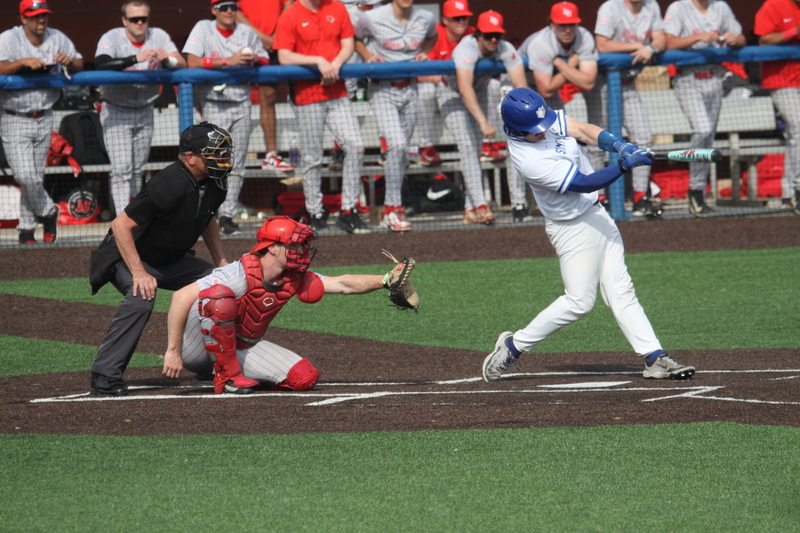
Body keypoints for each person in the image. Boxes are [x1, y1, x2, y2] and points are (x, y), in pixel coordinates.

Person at [482, 88, 696, 383]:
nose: (543, 131)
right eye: (535, 130)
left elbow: (583, 130)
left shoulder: (541, 120)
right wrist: (625, 164)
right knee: (579, 303)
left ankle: (654, 357)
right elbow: (583, 183)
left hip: (598, 216)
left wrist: (620, 145)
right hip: (572, 229)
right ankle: (514, 346)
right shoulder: (529, 160)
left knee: (621, 289)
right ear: (516, 130)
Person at [161, 216, 405, 394]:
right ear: (273, 247)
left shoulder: (293, 277)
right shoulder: (237, 273)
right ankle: (228, 379)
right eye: (294, 245)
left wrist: (385, 280)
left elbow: (342, 284)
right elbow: (180, 297)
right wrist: (172, 350)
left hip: (240, 347)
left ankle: (225, 371)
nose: (301, 251)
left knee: (304, 377)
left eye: (302, 245)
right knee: (218, 298)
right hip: (195, 349)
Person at [89, 122, 234, 396]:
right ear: (191, 158)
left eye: (224, 152)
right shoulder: (168, 184)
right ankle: (104, 374)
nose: (223, 158)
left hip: (170, 259)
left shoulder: (216, 182)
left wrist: (222, 262)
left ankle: (206, 363)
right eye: (215, 153)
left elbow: (207, 218)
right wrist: (139, 272)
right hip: (127, 255)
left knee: (222, 284)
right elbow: (120, 226)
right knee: (141, 296)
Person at [273, 0, 370, 234]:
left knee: (356, 146)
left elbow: (348, 44)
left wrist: (334, 65)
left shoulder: (337, 7)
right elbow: (284, 56)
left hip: (337, 91)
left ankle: (348, 209)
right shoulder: (290, 14)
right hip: (306, 94)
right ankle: (315, 210)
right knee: (311, 156)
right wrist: (318, 61)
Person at [183, 0, 270, 235]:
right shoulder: (203, 28)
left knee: (237, 161)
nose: (229, 11)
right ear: (214, 10)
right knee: (211, 161)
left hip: (241, 100)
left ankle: (227, 216)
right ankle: (209, 212)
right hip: (213, 102)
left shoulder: (245, 32)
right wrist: (226, 61)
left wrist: (253, 59)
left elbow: (265, 59)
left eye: (233, 6)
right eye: (223, 7)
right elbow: (192, 61)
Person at [0, 0, 83, 244]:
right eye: (34, 15)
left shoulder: (56, 37)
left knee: (35, 176)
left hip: (44, 115)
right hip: (14, 116)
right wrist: (21, 62)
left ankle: (26, 231)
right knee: (25, 176)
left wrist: (68, 61)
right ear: (23, 18)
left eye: (43, 15)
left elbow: (79, 63)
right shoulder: (8, 39)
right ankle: (48, 211)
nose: (41, 20)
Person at [95, 1, 186, 217]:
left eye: (143, 19)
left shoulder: (158, 35)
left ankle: (133, 219)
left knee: (137, 170)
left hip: (145, 109)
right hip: (116, 109)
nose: (139, 23)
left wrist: (168, 60)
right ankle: (121, 220)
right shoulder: (112, 37)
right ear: (124, 20)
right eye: (134, 19)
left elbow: (181, 62)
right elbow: (102, 63)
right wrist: (135, 58)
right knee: (122, 169)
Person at [355, 0, 437, 232]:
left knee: (401, 153)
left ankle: (391, 209)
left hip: (410, 87)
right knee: (398, 145)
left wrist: (424, 52)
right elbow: (354, 38)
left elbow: (433, 36)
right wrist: (368, 55)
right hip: (382, 88)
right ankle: (392, 207)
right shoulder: (372, 17)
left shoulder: (425, 17)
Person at [441, 10, 528, 224]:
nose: (493, 40)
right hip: (451, 93)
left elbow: (521, 84)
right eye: (488, 35)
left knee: (475, 149)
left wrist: (527, 115)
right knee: (468, 146)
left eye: (497, 35)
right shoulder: (466, 47)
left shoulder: (505, 47)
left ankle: (469, 209)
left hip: (479, 91)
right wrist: (483, 121)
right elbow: (464, 88)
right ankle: (481, 205)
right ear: (478, 34)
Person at [664, 0, 745, 217]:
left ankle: (697, 190)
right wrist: (699, 37)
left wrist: (734, 40)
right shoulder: (678, 7)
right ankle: (695, 187)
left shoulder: (721, 7)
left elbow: (742, 38)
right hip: (688, 77)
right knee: (703, 129)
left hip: (714, 77)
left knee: (708, 136)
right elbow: (668, 42)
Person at [593, 0, 666, 217]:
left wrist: (651, 47)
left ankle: (640, 197)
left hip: (628, 83)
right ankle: (599, 198)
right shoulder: (610, 7)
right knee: (597, 142)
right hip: (602, 83)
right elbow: (602, 45)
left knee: (643, 137)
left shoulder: (651, 5)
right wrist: (637, 47)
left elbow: (661, 38)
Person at [520, 2, 602, 170]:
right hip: (519, 88)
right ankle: (518, 190)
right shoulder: (541, 43)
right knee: (521, 142)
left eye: (571, 24)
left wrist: (560, 64)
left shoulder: (584, 36)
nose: (567, 29)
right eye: (562, 25)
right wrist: (569, 64)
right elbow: (546, 89)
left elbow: (588, 83)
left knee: (560, 133)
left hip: (548, 84)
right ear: (552, 25)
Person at [236, 0, 296, 173]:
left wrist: (277, 35)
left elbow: (288, 4)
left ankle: (271, 155)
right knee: (235, 94)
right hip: (242, 39)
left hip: (279, 40)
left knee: (273, 95)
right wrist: (262, 38)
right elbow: (231, 9)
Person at [414, 0, 474, 168]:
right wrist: (445, 80)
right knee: (426, 91)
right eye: (456, 18)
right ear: (445, 20)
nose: (461, 22)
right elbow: (419, 75)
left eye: (464, 17)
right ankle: (426, 146)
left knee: (492, 86)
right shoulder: (434, 35)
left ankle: (487, 144)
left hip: (461, 92)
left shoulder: (473, 35)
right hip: (438, 92)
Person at [754, 0, 800, 215]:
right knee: (798, 129)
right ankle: (796, 189)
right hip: (781, 80)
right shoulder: (774, 5)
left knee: (795, 135)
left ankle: (789, 190)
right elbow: (764, 39)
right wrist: (795, 31)